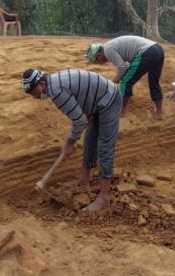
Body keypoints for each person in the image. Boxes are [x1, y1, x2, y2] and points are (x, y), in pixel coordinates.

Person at [22, 68, 122, 212]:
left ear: (41, 84)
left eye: (33, 92)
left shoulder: (56, 91)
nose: (34, 97)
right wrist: (89, 112)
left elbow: (79, 121)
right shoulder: (53, 82)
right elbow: (80, 97)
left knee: (104, 148)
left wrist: (69, 143)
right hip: (97, 102)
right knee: (89, 141)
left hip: (110, 101)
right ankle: (84, 180)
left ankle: (104, 197)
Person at [86, 35, 164, 119]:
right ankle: (159, 112)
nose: (99, 64)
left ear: (99, 55)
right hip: (157, 49)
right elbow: (126, 65)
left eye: (96, 62)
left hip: (146, 52)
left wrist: (114, 81)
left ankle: (121, 111)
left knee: (126, 82)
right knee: (154, 82)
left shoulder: (108, 51)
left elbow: (122, 68)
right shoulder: (109, 46)